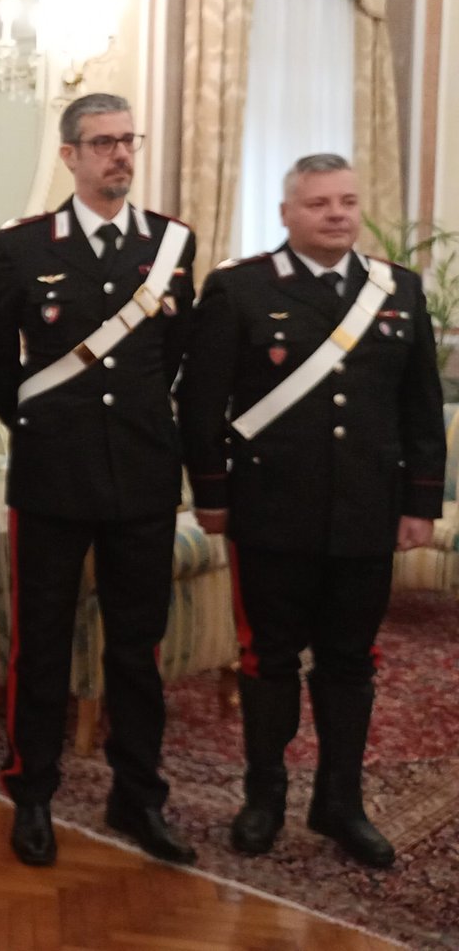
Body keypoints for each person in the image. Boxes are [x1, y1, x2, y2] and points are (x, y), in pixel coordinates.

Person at [176, 154, 444, 868]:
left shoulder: (398, 289)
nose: (337, 214)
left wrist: (420, 502)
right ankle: (263, 797)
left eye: (347, 201)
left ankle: (340, 803)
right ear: (287, 213)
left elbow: (421, 405)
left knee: (351, 662)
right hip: (270, 511)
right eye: (320, 203)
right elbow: (201, 402)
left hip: (367, 513)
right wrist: (212, 494)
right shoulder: (240, 287)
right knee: (268, 660)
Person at [0, 92, 198, 868]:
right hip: (52, 476)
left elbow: (173, 353)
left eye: (128, 139)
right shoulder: (24, 245)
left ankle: (138, 796)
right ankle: (32, 791)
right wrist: (43, 425)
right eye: (102, 142)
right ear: (69, 155)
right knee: (40, 644)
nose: (120, 153)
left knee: (138, 647)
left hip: (142, 475)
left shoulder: (171, 243)